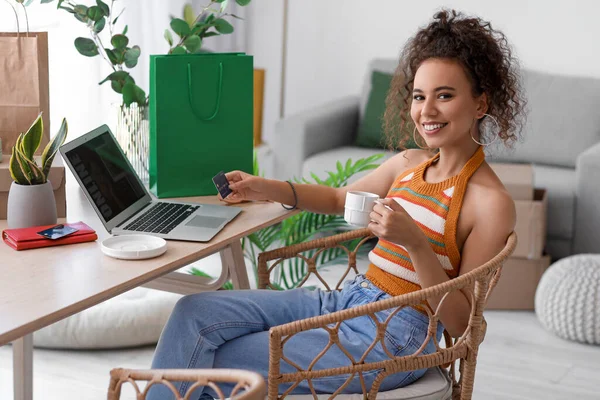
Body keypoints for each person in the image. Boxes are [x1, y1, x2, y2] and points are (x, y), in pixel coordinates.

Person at [148, 9, 526, 399]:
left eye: (444, 96)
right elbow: (337, 197)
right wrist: (266, 187)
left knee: (218, 358)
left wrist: (415, 243)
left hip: (398, 335)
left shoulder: (490, 203)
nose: (426, 111)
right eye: (418, 96)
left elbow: (463, 323)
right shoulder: (410, 163)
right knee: (192, 314)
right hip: (350, 298)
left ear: (480, 104)